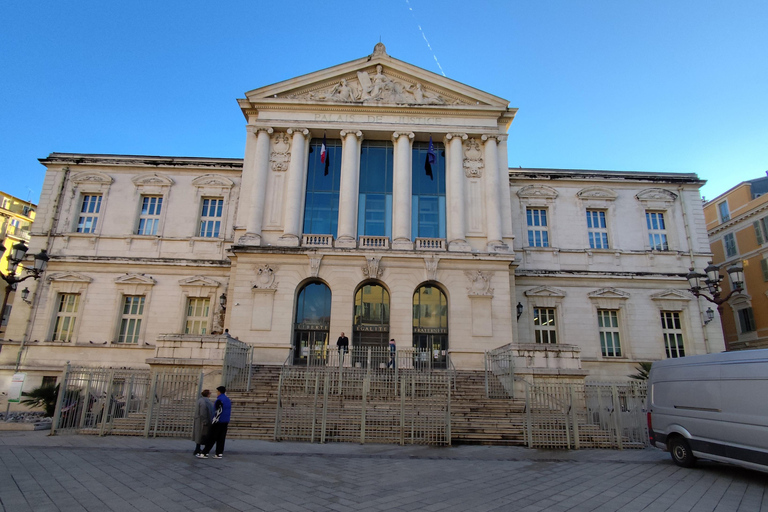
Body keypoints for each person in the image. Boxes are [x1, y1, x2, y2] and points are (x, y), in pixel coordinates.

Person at [197, 386, 231, 459]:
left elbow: (219, 411)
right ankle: (219, 453)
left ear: (219, 392)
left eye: (217, 391)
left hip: (218, 421)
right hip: (225, 421)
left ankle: (204, 453)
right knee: (221, 438)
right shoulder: (228, 400)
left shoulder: (219, 400)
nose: (216, 393)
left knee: (211, 437)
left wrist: (214, 420)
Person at [193, 389, 214, 455]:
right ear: (208, 394)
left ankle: (198, 448)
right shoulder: (205, 401)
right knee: (203, 435)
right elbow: (203, 412)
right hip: (202, 421)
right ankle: (198, 449)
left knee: (200, 435)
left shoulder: (200, 400)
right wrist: (205, 420)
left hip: (199, 420)